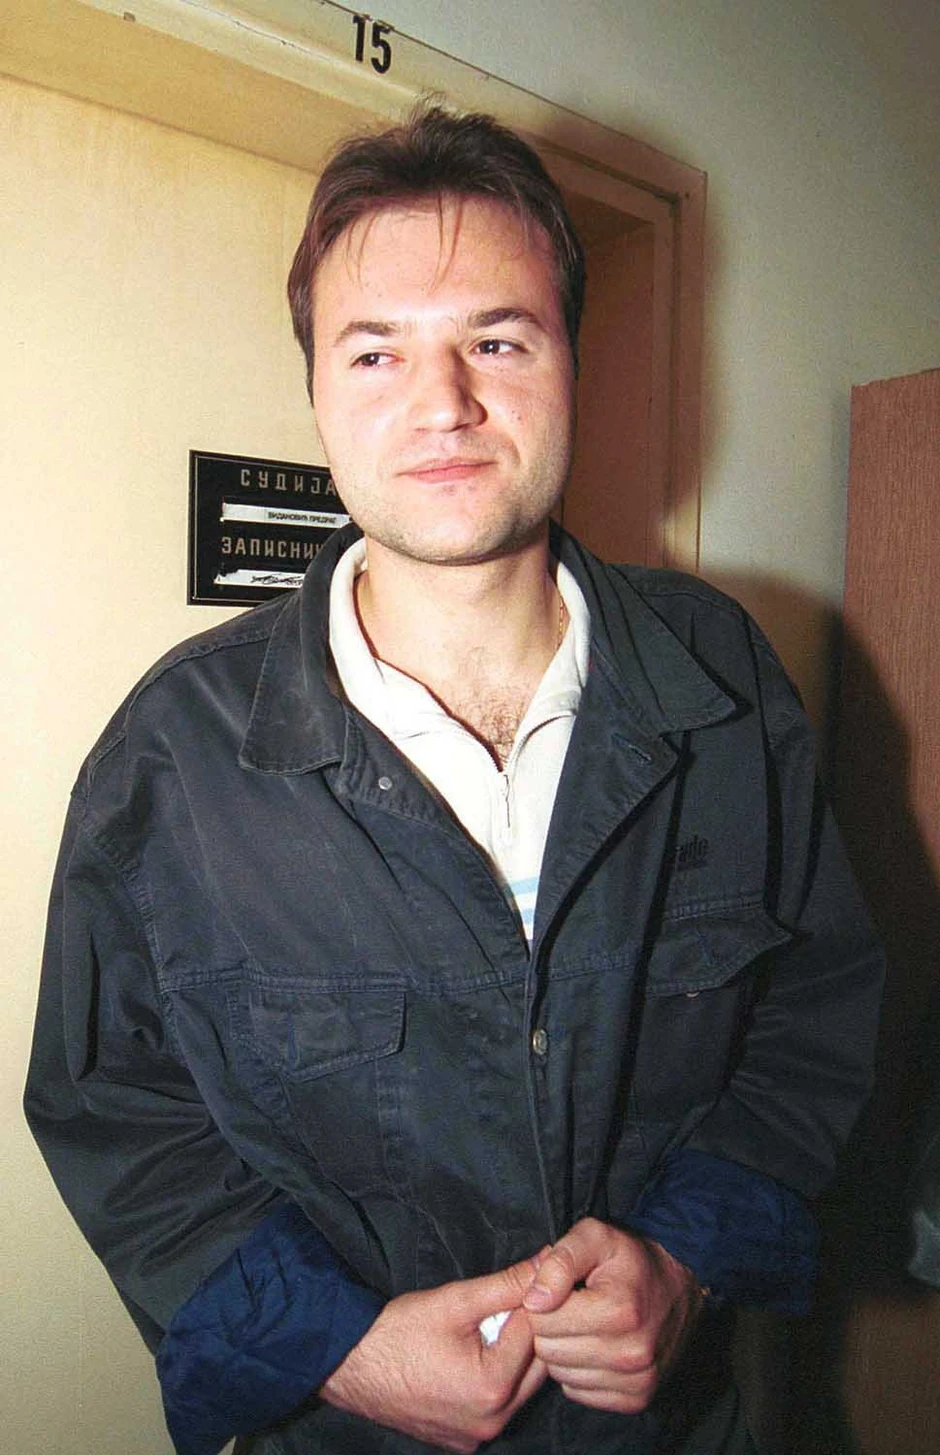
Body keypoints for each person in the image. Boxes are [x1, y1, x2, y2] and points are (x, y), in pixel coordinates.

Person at [25, 103, 884, 1455]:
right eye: (377, 352)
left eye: (497, 339)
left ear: (572, 362)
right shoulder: (171, 759)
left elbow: (815, 1015)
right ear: (317, 392)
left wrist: (690, 1256)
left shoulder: (726, 681)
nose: (444, 405)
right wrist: (337, 1346)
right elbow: (113, 1106)